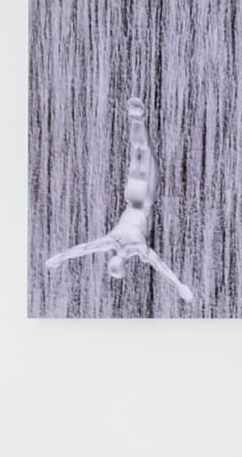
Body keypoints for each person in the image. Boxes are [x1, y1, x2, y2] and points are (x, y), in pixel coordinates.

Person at [43, 97, 196, 303]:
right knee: (140, 151)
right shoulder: (123, 245)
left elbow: (84, 249)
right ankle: (136, 119)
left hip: (142, 199)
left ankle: (137, 119)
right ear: (118, 264)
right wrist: (179, 286)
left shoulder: (123, 244)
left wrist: (60, 258)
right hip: (133, 197)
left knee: (143, 151)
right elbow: (160, 266)